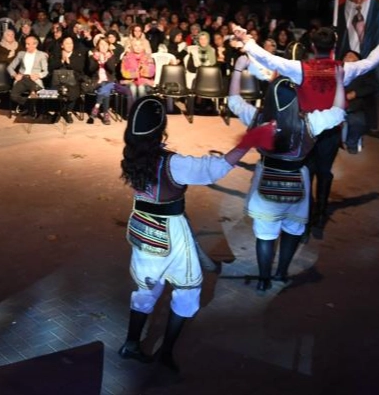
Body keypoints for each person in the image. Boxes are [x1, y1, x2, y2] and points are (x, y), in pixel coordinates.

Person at [117, 96, 273, 371]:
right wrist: (248, 142)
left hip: (142, 226)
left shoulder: (131, 155)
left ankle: (131, 344)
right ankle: (165, 353)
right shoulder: (173, 163)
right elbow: (215, 169)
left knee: (146, 289)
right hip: (171, 231)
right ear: (161, 127)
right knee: (188, 290)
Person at [230, 24, 379, 241]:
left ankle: (306, 221)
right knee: (324, 172)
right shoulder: (343, 69)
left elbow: (269, 60)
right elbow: (370, 63)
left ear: (312, 46)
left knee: (307, 172)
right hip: (330, 130)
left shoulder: (300, 68)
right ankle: (319, 218)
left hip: (306, 130)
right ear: (334, 47)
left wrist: (247, 40)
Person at [228, 61, 346, 294]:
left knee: (265, 234)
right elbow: (338, 112)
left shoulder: (257, 117)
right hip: (297, 183)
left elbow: (234, 101)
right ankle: (281, 273)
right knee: (292, 230)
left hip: (266, 181)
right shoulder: (309, 123)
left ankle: (263, 279)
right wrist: (339, 81)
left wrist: (238, 69)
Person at [341, 50, 379, 154]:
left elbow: (372, 87)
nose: (347, 57)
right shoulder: (338, 70)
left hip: (354, 106)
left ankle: (352, 143)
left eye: (351, 55)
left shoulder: (364, 72)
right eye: (346, 55)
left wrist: (356, 93)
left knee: (358, 122)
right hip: (335, 106)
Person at [7, 35, 48, 115]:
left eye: (28, 44)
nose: (26, 46)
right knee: (13, 96)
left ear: (35, 44)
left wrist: (38, 75)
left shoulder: (41, 55)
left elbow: (46, 71)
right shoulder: (21, 54)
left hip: (34, 79)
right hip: (22, 78)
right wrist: (15, 75)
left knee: (38, 94)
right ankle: (29, 105)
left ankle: (31, 107)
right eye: (26, 44)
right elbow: (10, 67)